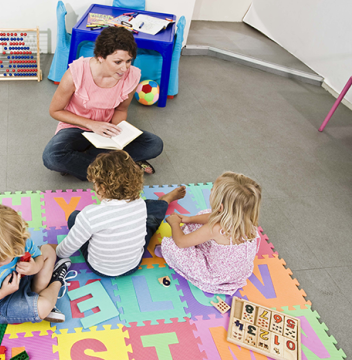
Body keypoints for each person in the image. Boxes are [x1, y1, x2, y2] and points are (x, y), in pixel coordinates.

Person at [43, 26, 163, 181]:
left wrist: (120, 134)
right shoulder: (75, 73)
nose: (124, 68)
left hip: (107, 129)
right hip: (76, 128)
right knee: (52, 157)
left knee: (154, 144)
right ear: (101, 56)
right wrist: (92, 125)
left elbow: (121, 110)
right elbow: (55, 111)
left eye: (128, 61)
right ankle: (119, 166)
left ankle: (89, 164)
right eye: (118, 61)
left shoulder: (132, 75)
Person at [55, 150, 186, 277]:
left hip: (100, 269)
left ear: (103, 188)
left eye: (94, 184)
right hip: (133, 265)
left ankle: (164, 201)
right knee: (150, 222)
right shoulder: (139, 203)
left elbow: (67, 249)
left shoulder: (90, 214)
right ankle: (165, 201)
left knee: (74, 217)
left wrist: (57, 252)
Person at [0, 205, 76, 324]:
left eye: (0, 261)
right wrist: (3, 292)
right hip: (0, 302)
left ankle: (36, 295)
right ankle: (56, 281)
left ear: (16, 247)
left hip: (22, 278)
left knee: (48, 251)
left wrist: (34, 267)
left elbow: (38, 257)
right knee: (44, 306)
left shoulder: (21, 242)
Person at [161, 171, 262, 295]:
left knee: (169, 245)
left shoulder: (215, 228)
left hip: (214, 276)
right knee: (203, 215)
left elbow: (181, 243)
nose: (210, 191)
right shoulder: (247, 221)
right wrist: (190, 219)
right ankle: (194, 234)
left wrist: (174, 223)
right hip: (237, 271)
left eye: (212, 190)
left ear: (220, 207)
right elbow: (215, 216)